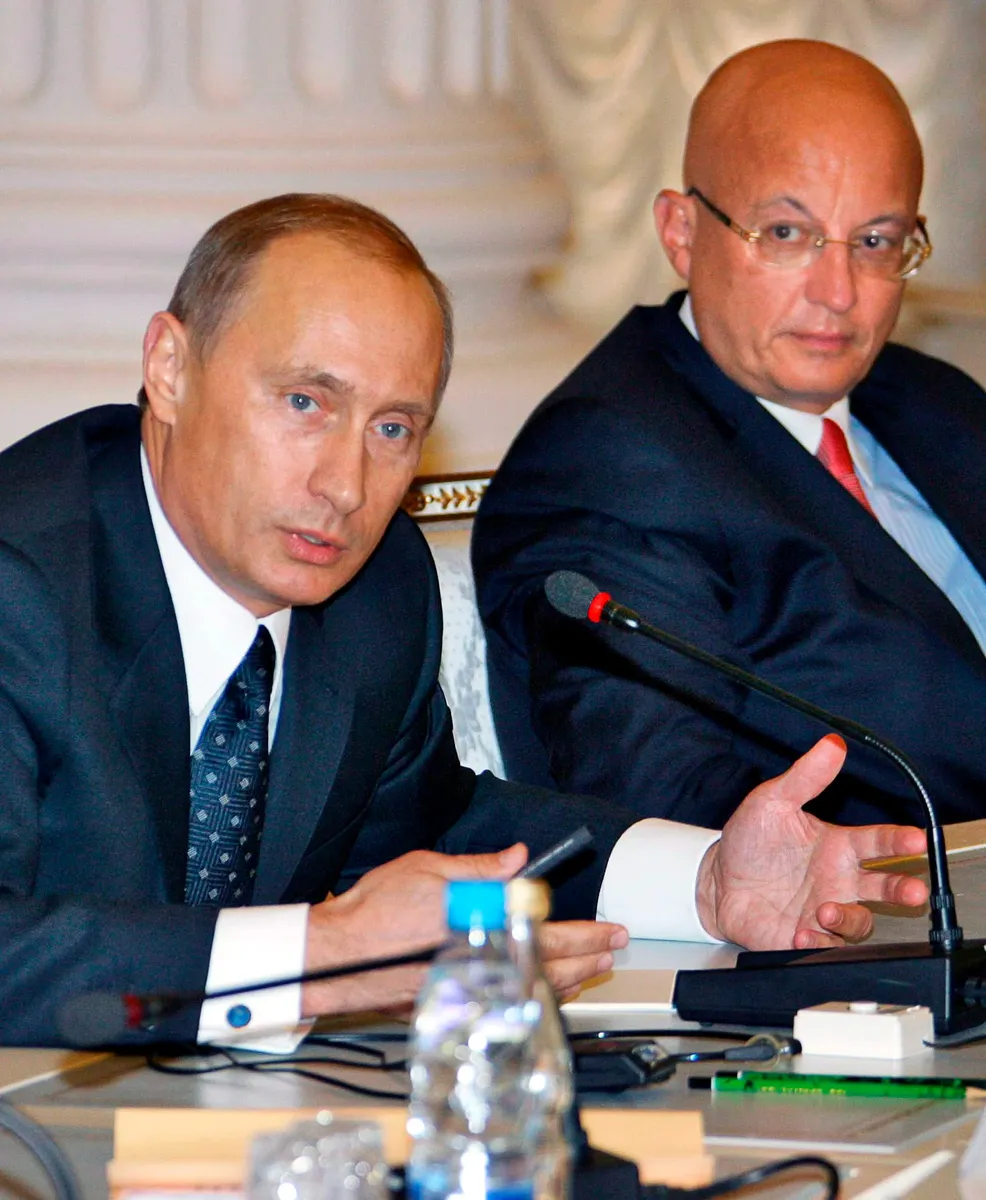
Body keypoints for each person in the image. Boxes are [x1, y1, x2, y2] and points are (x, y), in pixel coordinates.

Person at [0, 193, 926, 1050]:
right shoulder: (20, 578)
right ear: (169, 368)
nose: (345, 486)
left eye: (392, 429)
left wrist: (706, 880)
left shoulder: (375, 587)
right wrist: (320, 957)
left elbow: (431, 827)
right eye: (305, 402)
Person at [473, 39, 986, 832]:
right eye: (786, 233)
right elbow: (662, 793)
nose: (839, 292)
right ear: (681, 232)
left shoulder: (935, 400)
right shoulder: (609, 459)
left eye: (876, 242)